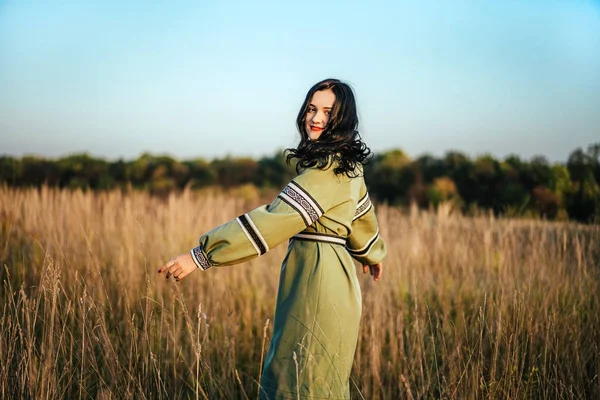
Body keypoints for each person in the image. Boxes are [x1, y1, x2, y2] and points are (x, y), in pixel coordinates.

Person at [158, 78, 387, 399]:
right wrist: (371, 254)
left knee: (299, 377)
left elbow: (272, 221)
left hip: (317, 284)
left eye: (327, 111)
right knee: (320, 377)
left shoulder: (323, 174)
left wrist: (201, 255)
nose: (315, 118)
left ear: (343, 119)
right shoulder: (349, 168)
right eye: (311, 108)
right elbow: (363, 216)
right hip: (338, 283)